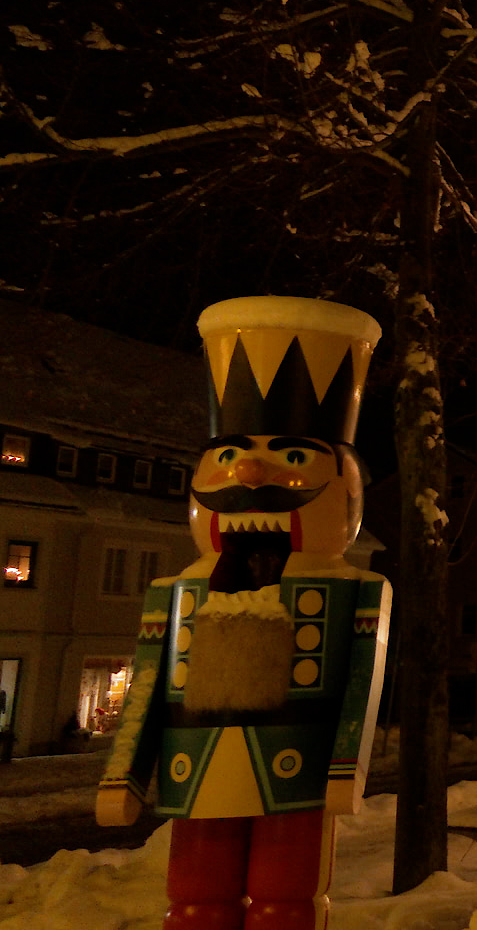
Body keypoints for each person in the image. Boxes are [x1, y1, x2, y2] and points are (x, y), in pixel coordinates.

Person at [97, 297, 389, 930]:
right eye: (226, 458)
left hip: (294, 762)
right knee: (197, 890)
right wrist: (124, 774)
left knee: (286, 893)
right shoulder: (180, 591)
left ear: (349, 487)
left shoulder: (350, 590)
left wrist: (345, 763)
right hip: (196, 764)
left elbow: (359, 680)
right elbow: (149, 682)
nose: (250, 472)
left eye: (291, 459)